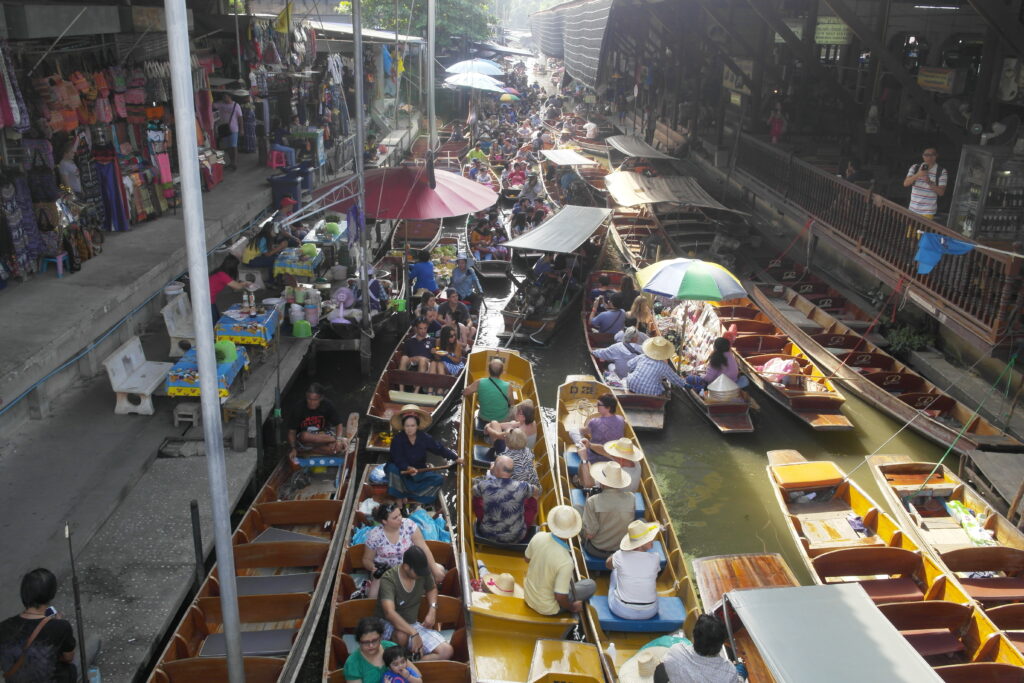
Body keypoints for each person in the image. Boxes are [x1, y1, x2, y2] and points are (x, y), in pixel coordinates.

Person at [375, 546, 455, 661]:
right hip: (388, 623)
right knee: (401, 636)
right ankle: (397, 663)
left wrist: (432, 610)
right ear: (406, 567)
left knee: (446, 651)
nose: (421, 576)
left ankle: (413, 665)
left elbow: (431, 589)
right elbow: (389, 613)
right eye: (417, 573)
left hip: (412, 624)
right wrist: (414, 633)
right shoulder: (389, 579)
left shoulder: (422, 572)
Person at [0, 568, 77, 683]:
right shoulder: (60, 627)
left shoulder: (3, 627)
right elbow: (68, 658)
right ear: (51, 593)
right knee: (71, 668)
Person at [363, 501, 446, 598]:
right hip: (386, 571)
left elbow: (423, 548)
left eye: (400, 515)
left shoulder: (409, 525)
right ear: (384, 521)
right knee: (373, 595)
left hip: (410, 567)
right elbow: (366, 559)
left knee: (440, 569)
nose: (400, 519)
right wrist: (373, 568)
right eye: (395, 518)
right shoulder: (375, 535)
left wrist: (435, 570)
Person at [524, 505, 596, 615]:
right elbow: (560, 597)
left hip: (528, 596)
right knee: (590, 585)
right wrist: (572, 607)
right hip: (547, 608)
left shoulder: (538, 536)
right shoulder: (566, 561)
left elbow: (527, 559)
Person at [386, 405, 460, 504]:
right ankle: (399, 496)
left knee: (439, 479)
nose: (410, 429)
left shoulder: (425, 438)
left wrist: (455, 458)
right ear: (403, 426)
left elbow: (439, 449)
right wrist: (408, 468)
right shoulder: (397, 440)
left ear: (417, 425)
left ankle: (409, 495)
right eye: (407, 426)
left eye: (413, 426)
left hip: (419, 470)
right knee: (392, 469)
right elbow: (398, 459)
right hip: (401, 471)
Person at [655, 614, 744, 683]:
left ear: (694, 635)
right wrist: (740, 676)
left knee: (660, 669)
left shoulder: (675, 651)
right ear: (720, 644)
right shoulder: (730, 672)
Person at [473, 454, 540, 543]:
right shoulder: (522, 486)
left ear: (496, 470)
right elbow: (536, 491)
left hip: (487, 534)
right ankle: (533, 522)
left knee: (477, 497)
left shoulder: (484, 485)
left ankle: (481, 519)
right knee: (532, 498)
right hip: (517, 537)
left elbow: (473, 491)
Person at [566, 393, 626, 489]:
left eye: (599, 405)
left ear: (608, 408)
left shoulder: (594, 422)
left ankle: (582, 459)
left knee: (573, 431)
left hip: (593, 457)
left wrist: (583, 428)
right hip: (612, 458)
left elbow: (584, 431)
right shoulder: (621, 419)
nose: (596, 406)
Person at [606, 520, 662, 620]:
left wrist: (620, 553)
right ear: (640, 544)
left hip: (621, 610)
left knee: (614, 572)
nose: (652, 539)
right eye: (649, 538)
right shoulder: (655, 558)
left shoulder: (619, 556)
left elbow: (608, 565)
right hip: (650, 612)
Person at [580, 461, 635, 559]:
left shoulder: (593, 501)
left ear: (601, 482)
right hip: (621, 550)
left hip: (597, 550)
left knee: (577, 511)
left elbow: (590, 534)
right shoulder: (632, 498)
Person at [287, 383, 347, 467]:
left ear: (321, 398)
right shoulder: (298, 407)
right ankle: (334, 440)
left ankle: (306, 451)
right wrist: (293, 448)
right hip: (305, 439)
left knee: (336, 449)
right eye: (309, 399)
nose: (311, 402)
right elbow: (291, 432)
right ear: (306, 397)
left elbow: (338, 424)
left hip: (323, 437)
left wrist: (338, 440)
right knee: (305, 436)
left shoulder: (327, 405)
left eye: (315, 400)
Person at [463, 359, 512, 431]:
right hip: (501, 420)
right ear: (502, 372)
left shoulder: (480, 382)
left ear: (488, 370)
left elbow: (465, 392)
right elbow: (511, 404)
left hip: (484, 418)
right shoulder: (508, 386)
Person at [344, 616, 395, 683]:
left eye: (374, 640)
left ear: (381, 637)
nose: (371, 645)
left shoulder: (391, 647)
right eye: (366, 642)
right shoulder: (352, 663)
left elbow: (412, 672)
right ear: (359, 642)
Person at [903, 147, 947, 219]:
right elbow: (905, 183)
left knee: (923, 230)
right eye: (926, 155)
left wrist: (929, 182)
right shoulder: (915, 167)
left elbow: (941, 192)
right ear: (923, 156)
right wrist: (918, 174)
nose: (929, 157)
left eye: (932, 155)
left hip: (928, 212)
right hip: (913, 209)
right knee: (911, 230)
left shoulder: (941, 171)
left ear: (936, 156)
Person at [208, 255, 254, 323]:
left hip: (211, 299)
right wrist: (245, 283)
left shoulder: (220, 272)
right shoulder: (222, 275)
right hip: (207, 300)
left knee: (216, 319)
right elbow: (237, 287)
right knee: (214, 321)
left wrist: (243, 283)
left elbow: (234, 283)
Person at [398, 320, 433, 392]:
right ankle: (401, 390)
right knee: (404, 358)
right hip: (411, 363)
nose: (423, 331)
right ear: (416, 329)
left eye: (425, 328)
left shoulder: (433, 341)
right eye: (421, 328)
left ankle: (416, 391)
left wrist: (422, 358)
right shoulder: (409, 341)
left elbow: (434, 359)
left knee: (422, 360)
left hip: (426, 364)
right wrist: (415, 358)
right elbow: (405, 356)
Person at [213, 91, 243, 170]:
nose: (224, 98)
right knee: (228, 147)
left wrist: (241, 129)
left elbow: (240, 118)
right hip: (224, 128)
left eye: (225, 96)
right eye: (223, 97)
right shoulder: (221, 104)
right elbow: (212, 105)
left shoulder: (236, 105)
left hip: (234, 128)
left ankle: (234, 163)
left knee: (233, 146)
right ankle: (231, 162)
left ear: (230, 97)